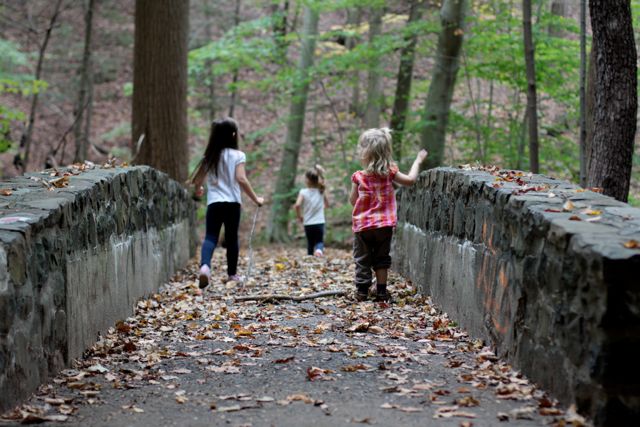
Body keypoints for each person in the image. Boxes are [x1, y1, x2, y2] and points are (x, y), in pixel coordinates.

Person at [350, 128, 427, 302]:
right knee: (381, 257)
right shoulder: (390, 173)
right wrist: (418, 160)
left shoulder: (359, 177)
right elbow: (410, 180)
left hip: (363, 226)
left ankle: (362, 291)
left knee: (362, 258)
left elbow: (353, 200)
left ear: (365, 152)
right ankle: (381, 292)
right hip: (384, 226)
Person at [192, 117, 264, 289]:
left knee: (210, 237)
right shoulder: (238, 155)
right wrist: (256, 199)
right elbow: (241, 178)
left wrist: (199, 189)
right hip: (232, 204)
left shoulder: (209, 156)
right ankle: (232, 274)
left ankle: (205, 267)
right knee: (232, 239)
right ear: (233, 135)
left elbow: (197, 180)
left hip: (214, 203)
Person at [294, 165, 329, 257]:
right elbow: (327, 204)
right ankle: (319, 251)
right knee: (319, 241)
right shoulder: (321, 191)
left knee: (310, 242)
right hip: (320, 221)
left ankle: (309, 258)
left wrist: (299, 216)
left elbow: (297, 205)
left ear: (307, 180)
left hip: (308, 223)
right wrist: (321, 208)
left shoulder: (303, 192)